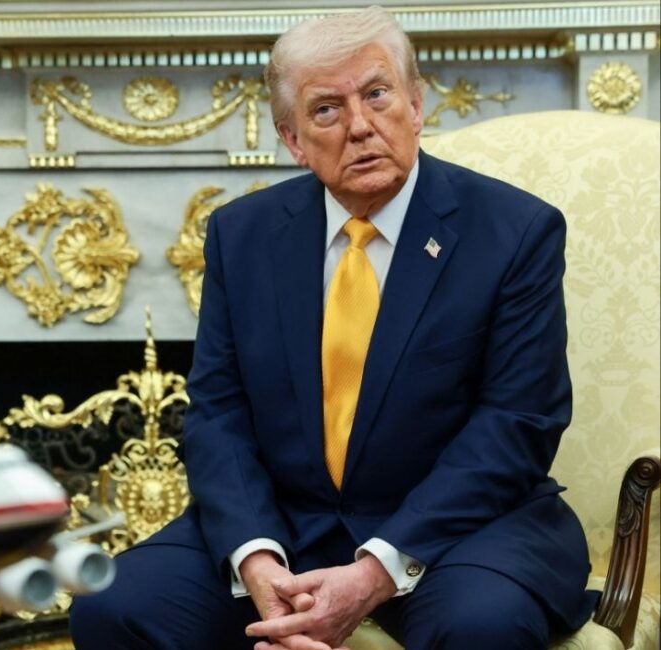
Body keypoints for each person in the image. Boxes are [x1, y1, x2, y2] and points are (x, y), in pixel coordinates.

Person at [70, 7, 596, 650]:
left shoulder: (514, 232)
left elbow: (517, 424)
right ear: (292, 139)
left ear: (416, 102)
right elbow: (217, 413)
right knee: (114, 606)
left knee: (480, 625)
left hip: (460, 529)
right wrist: (254, 556)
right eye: (326, 110)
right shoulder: (242, 236)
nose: (360, 127)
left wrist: (376, 568)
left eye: (377, 95)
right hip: (286, 521)